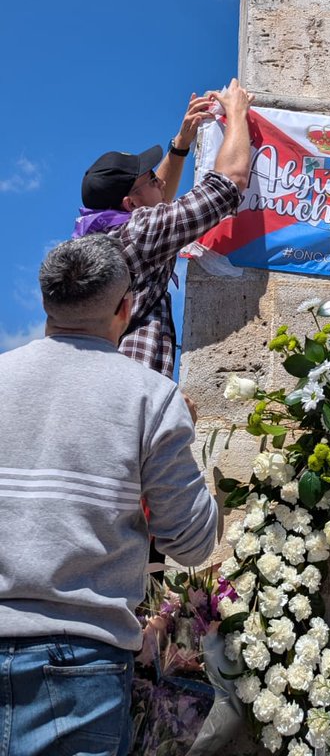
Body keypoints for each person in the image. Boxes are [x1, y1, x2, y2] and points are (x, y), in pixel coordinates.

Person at [0, 234, 218, 756]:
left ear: (45, 302)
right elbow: (191, 543)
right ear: (124, 308)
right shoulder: (151, 397)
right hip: (81, 669)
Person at [74, 79, 252, 377]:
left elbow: (157, 209)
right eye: (151, 179)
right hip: (131, 388)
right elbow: (228, 184)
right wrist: (237, 113)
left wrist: (180, 146)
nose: (160, 180)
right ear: (130, 204)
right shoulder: (141, 232)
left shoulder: (106, 235)